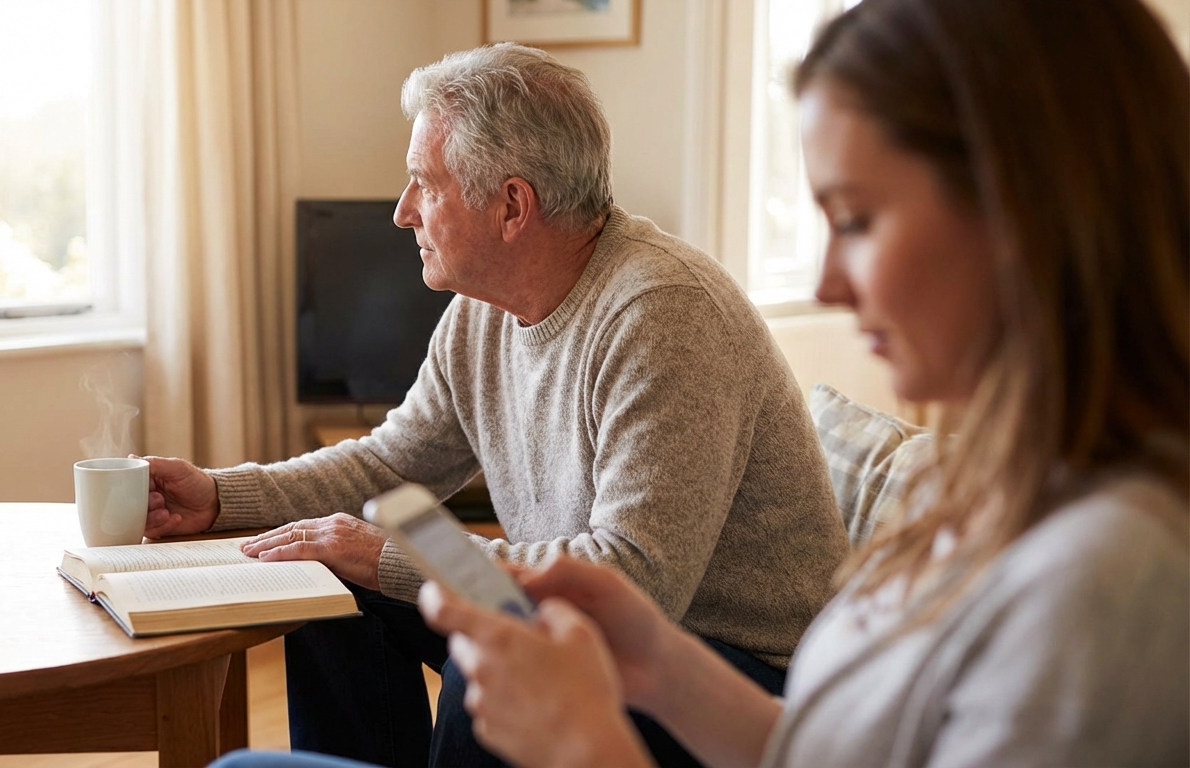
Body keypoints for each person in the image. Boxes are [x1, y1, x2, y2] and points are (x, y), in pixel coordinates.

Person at [410, 0, 1190, 766]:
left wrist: (585, 746)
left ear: (1025, 213)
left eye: (854, 220)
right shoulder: (987, 490)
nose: (825, 285)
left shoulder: (1106, 578)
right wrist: (659, 664)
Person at [147, 43, 849, 768]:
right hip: (587, 624)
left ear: (511, 205)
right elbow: (387, 465)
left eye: (425, 183)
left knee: (486, 659)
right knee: (325, 576)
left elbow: (635, 583)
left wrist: (394, 554)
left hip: (736, 675)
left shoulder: (662, 315)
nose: (401, 212)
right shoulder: (482, 314)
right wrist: (220, 495)